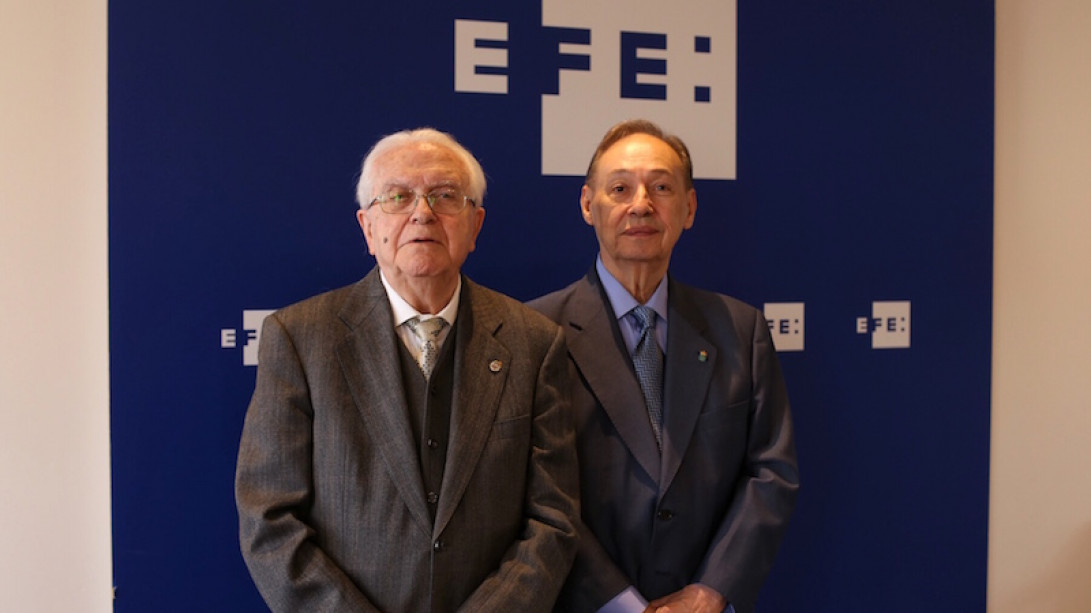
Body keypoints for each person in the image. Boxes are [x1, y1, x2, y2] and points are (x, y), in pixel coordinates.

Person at [235, 128, 579, 612]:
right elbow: (268, 518)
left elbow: (554, 519)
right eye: (397, 196)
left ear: (475, 225)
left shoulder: (534, 342)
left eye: (445, 196)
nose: (422, 213)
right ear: (367, 227)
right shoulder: (300, 338)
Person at [530, 119, 799, 613]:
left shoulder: (741, 329)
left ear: (689, 208)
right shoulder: (535, 332)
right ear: (588, 205)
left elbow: (771, 471)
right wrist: (621, 604)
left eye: (661, 187)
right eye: (620, 188)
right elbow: (531, 490)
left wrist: (711, 592)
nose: (641, 205)